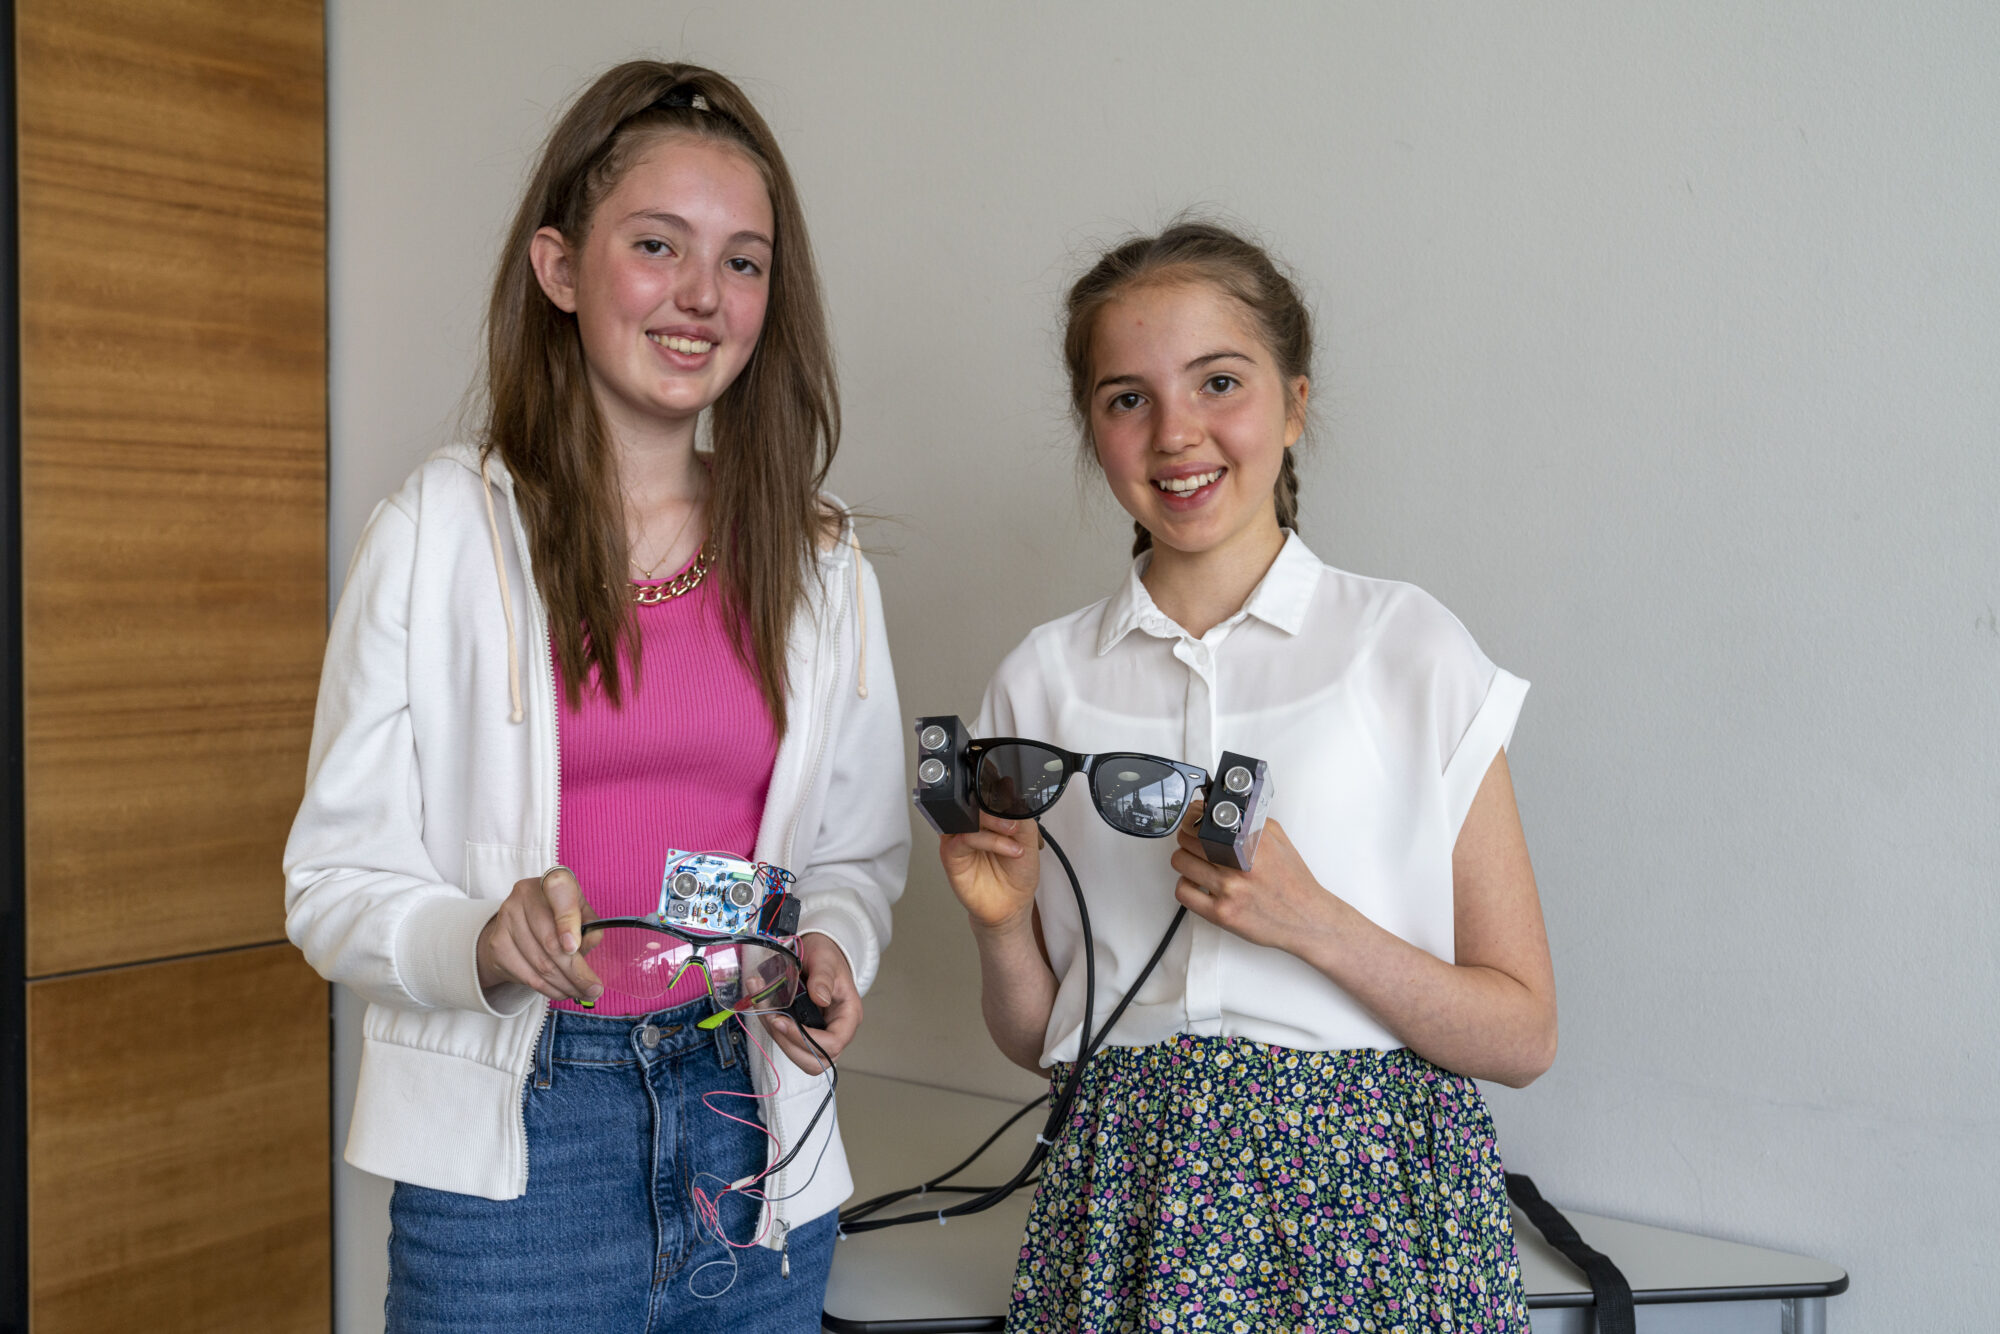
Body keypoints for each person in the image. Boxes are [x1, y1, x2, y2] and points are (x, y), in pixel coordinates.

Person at [284, 62, 907, 1331]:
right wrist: (479, 937)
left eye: (742, 261)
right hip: (516, 1159)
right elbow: (331, 883)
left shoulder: (820, 556)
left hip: (752, 1131)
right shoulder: (438, 530)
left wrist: (833, 941)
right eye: (656, 245)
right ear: (560, 268)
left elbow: (853, 854)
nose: (702, 295)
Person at [940, 221, 1556, 1331]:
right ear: (1092, 429)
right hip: (1122, 1197)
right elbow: (1045, 1039)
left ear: (1294, 402)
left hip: (1377, 1213)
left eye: (1217, 381)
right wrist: (999, 926)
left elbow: (1522, 1034)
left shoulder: (1408, 648)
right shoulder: (1040, 681)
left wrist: (1314, 924)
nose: (1175, 431)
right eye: (1127, 397)